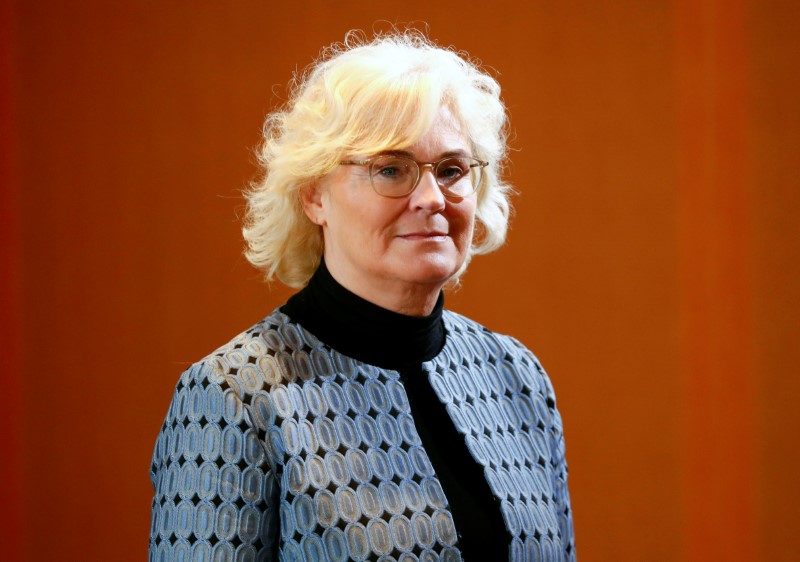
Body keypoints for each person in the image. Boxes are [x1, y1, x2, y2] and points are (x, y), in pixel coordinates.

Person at [149, 30, 575, 562]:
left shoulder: (517, 377)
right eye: (391, 169)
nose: (430, 198)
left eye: (450, 170)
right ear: (313, 195)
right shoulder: (234, 398)